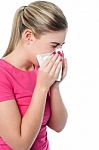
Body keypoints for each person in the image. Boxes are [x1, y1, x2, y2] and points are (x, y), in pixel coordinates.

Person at [0, 1, 68, 150]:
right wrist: (42, 87)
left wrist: (54, 85)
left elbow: (58, 126)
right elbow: (20, 145)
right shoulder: (2, 74)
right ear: (29, 36)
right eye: (54, 45)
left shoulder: (40, 69)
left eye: (61, 45)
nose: (58, 52)